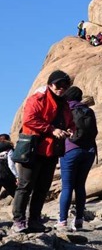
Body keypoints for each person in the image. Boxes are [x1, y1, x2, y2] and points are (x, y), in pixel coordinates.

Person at [12, 70, 74, 234]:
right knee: (25, 186)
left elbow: (70, 122)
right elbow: (29, 119)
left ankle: (34, 221)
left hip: (51, 150)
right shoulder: (38, 98)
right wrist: (52, 129)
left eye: (65, 85)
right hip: (33, 149)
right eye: (58, 84)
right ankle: (18, 221)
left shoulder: (65, 103)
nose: (61, 88)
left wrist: (70, 129)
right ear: (50, 84)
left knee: (42, 188)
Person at [58, 86, 98, 231]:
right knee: (80, 186)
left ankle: (62, 221)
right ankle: (79, 220)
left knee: (67, 186)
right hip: (89, 151)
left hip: (70, 149)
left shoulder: (65, 109)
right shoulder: (89, 110)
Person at [0, 134, 18, 199]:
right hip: (6, 175)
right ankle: (26, 208)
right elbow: (11, 165)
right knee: (17, 195)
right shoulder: (8, 149)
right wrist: (17, 176)